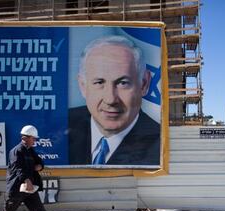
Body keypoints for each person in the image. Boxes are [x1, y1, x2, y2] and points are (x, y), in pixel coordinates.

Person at [68, 35, 160, 166]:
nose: (110, 99)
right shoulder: (60, 126)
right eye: (99, 82)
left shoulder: (159, 148)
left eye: (123, 83)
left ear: (144, 84)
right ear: (83, 86)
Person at [0, 125, 64, 211]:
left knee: (38, 209)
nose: (35, 141)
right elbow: (18, 169)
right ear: (25, 137)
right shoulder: (17, 151)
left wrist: (40, 166)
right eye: (33, 138)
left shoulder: (30, 150)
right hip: (17, 188)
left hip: (29, 188)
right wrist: (27, 180)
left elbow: (39, 162)